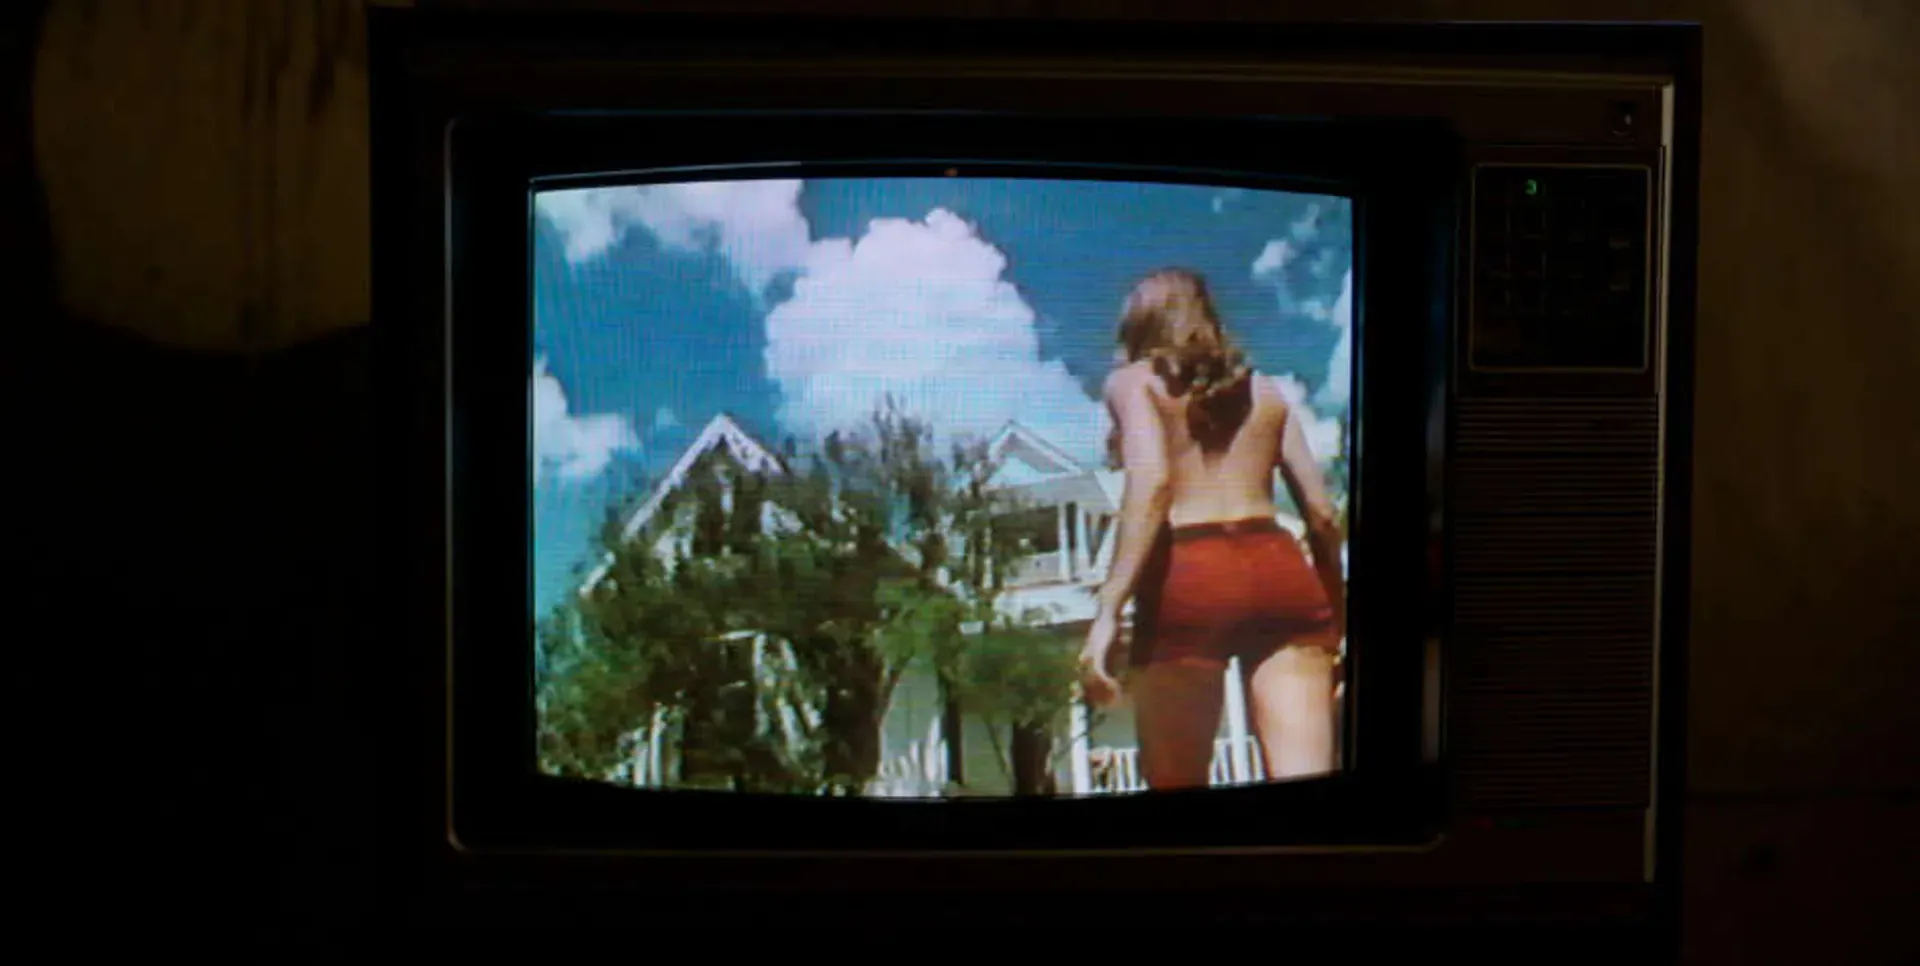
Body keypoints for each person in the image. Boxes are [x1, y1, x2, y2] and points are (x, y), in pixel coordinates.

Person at [1080, 268, 1346, 789]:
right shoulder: (1267, 392)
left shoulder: (1134, 382)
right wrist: (1335, 614)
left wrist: (1109, 607)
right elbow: (1321, 513)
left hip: (1188, 573)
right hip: (1279, 569)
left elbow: (1153, 483)